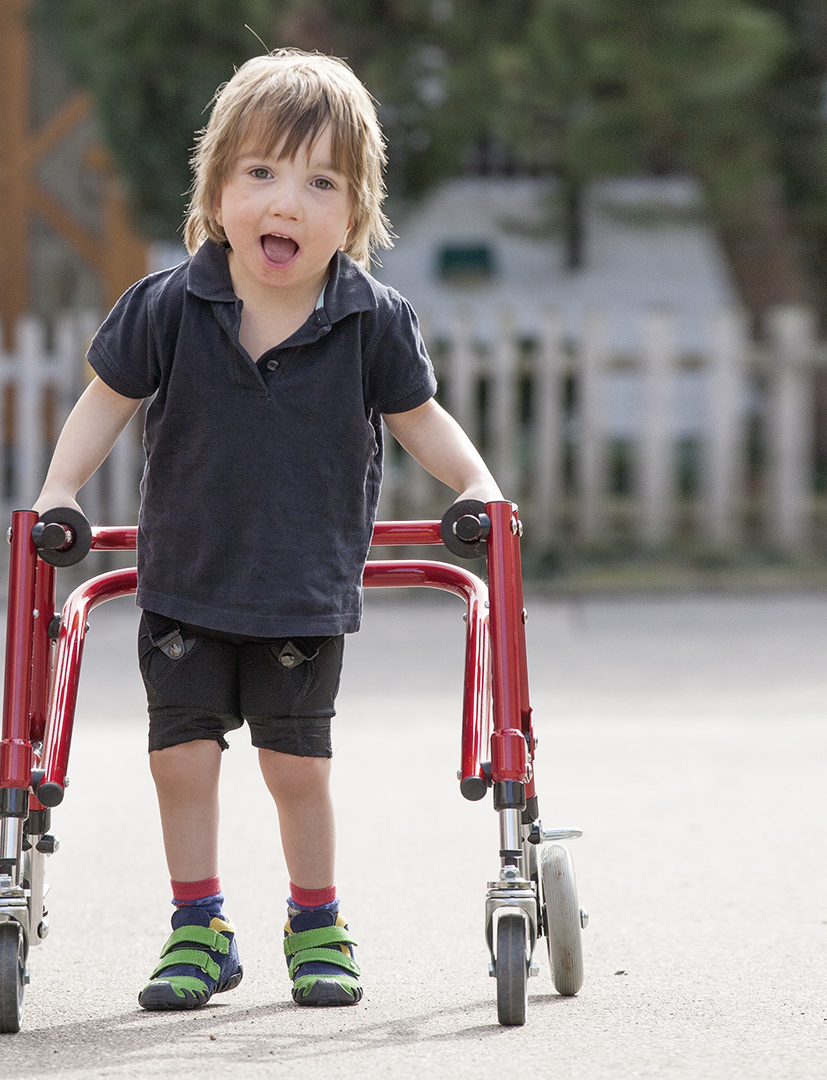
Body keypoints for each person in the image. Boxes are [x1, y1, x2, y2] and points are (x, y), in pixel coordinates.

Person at [33, 49, 501, 1011]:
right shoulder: (168, 306)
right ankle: (197, 926)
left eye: (319, 182)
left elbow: (420, 422)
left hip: (301, 587)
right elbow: (103, 403)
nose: (286, 202)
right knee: (181, 761)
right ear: (215, 191)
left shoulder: (371, 320)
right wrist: (60, 491)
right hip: (185, 583)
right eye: (261, 174)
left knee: (296, 766)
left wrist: (478, 485)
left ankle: (317, 918)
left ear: (355, 215)